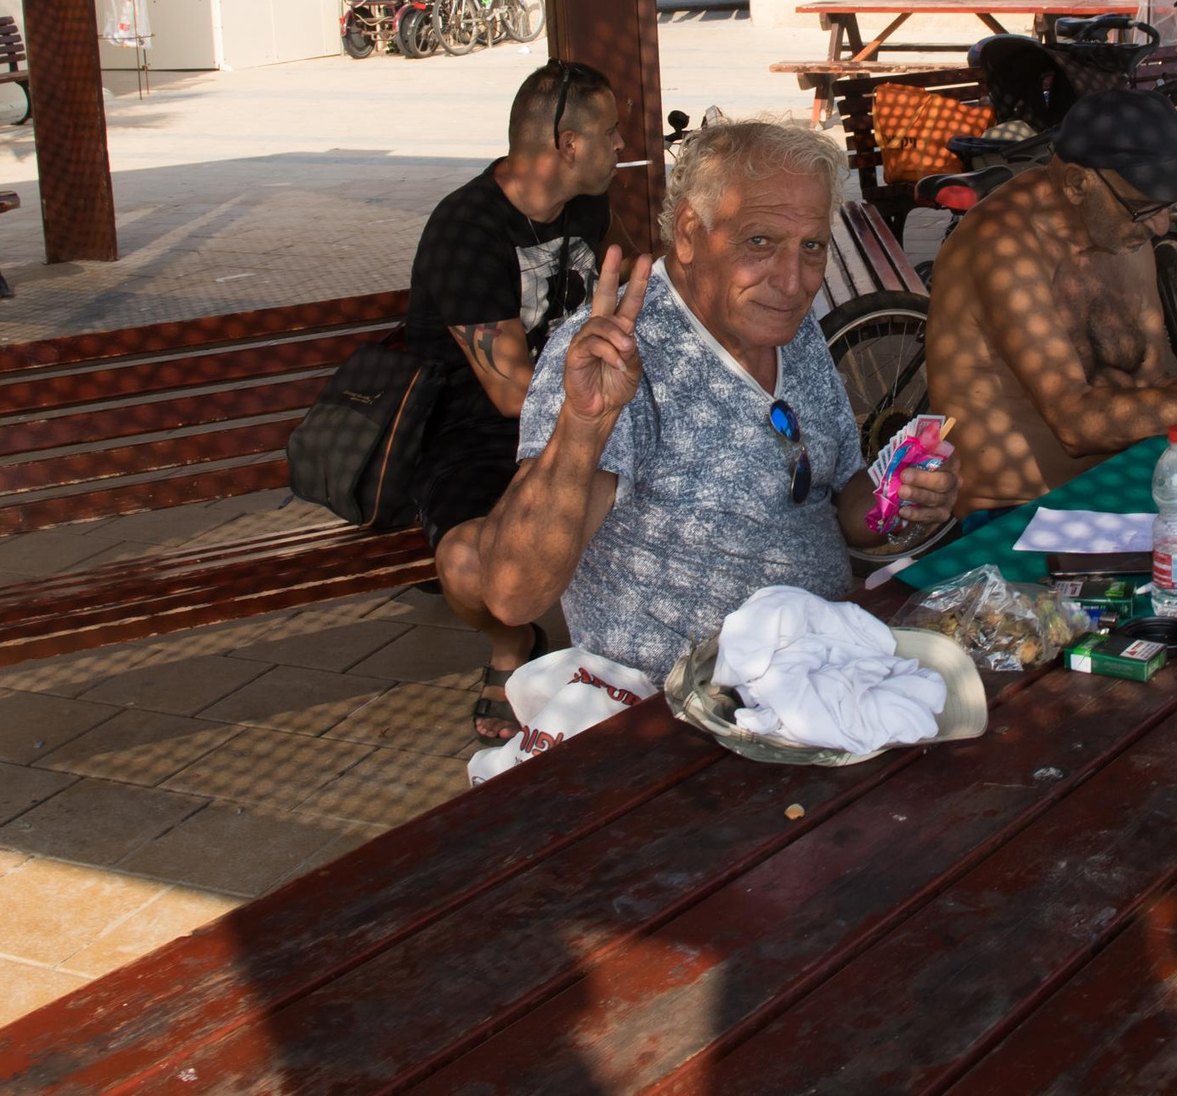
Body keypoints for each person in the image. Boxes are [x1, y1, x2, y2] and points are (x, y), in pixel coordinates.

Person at [439, 121, 961, 683]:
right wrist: (584, 425)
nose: (793, 281)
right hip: (688, 697)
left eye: (811, 246)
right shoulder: (619, 350)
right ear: (688, 232)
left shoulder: (792, 328)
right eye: (759, 242)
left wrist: (900, 498)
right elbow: (514, 594)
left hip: (819, 661)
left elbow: (841, 507)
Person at [926, 90, 1177, 514]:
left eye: (1168, 205)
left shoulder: (1121, 230)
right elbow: (1076, 425)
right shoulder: (1004, 244)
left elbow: (1148, 391)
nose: (1160, 225)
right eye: (1144, 207)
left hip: (1121, 484)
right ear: (1076, 184)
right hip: (1015, 516)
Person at [400, 59, 622, 738]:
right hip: (474, 435)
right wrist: (597, 408)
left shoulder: (584, 206)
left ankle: (627, 648)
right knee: (468, 568)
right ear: (566, 146)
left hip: (574, 415)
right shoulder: (466, 229)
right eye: (610, 132)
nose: (621, 144)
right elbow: (506, 393)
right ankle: (509, 643)